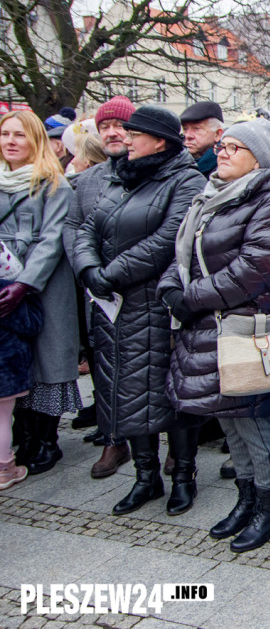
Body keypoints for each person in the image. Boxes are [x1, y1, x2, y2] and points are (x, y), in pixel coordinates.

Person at [158, 118, 270, 552]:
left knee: (254, 424)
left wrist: (191, 297)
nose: (223, 152)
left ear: (257, 157)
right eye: (223, 145)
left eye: (235, 147)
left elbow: (255, 268)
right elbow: (183, 254)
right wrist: (171, 288)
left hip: (242, 328)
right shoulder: (210, 194)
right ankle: (245, 499)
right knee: (229, 422)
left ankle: (269, 508)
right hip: (206, 327)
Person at [73, 105, 206, 516]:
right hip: (115, 310)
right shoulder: (120, 178)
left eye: (133, 133)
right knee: (122, 392)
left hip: (159, 306)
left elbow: (169, 239)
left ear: (158, 141)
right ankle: (146, 477)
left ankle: (183, 476)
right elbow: (86, 228)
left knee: (174, 394)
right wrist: (88, 268)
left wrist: (109, 274)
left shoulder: (186, 180)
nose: (124, 139)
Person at [1, 111, 82, 476]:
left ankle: (46, 439)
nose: (11, 141)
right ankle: (21, 433)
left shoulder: (55, 185)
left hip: (44, 285)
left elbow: (52, 240)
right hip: (4, 283)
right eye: (5, 134)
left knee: (47, 361)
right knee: (12, 359)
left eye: (20, 134)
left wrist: (24, 283)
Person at [61, 96, 136, 479]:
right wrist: (87, 269)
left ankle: (166, 444)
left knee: (152, 368)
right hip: (99, 291)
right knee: (105, 369)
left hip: (141, 287)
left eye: (119, 125)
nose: (111, 132)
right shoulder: (87, 180)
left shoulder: (151, 172)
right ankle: (113, 439)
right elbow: (74, 229)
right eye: (104, 126)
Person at [0, 278, 42, 489]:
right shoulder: (5, 290)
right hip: (5, 368)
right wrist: (33, 301)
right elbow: (29, 324)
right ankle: (5, 470)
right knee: (3, 420)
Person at [180, 102, 224, 177]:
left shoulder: (225, 170)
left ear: (217, 134)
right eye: (185, 129)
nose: (188, 135)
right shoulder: (176, 164)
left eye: (196, 128)